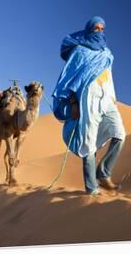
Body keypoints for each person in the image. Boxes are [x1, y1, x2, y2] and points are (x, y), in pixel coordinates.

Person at [52, 16, 126, 195]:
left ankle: (103, 172)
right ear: (89, 30)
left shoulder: (107, 54)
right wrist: (72, 102)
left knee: (120, 134)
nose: (99, 32)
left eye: (102, 29)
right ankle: (92, 189)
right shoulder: (79, 51)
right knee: (88, 142)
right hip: (87, 98)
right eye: (96, 29)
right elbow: (68, 78)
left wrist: (113, 97)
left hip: (107, 99)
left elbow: (109, 77)